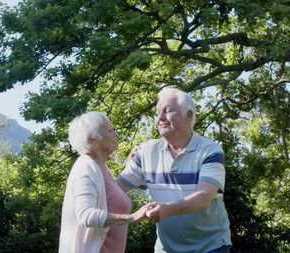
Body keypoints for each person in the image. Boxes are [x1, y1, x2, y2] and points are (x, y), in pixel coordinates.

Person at [117, 88, 232, 253]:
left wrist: (167, 209)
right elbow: (116, 189)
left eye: (168, 111)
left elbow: (204, 198)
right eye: (157, 113)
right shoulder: (146, 152)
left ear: (189, 116)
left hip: (210, 247)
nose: (160, 118)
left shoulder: (210, 151)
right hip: (166, 249)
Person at [59, 111, 149, 253]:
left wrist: (129, 166)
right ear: (92, 140)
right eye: (109, 130)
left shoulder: (100, 168)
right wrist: (132, 218)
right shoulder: (86, 167)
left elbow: (111, 196)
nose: (115, 134)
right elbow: (85, 215)